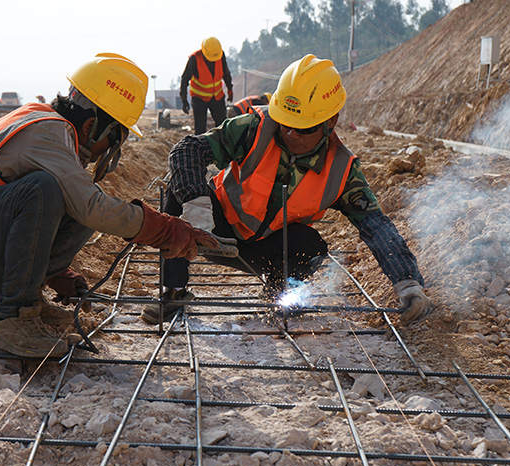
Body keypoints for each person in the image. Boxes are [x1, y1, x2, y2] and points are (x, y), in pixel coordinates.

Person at [0, 53, 218, 357]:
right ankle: (13, 319)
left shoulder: (43, 124)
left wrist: (56, 274)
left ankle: (15, 304)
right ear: (91, 127)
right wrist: (165, 229)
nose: (105, 154)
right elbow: (91, 207)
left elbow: (30, 221)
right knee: (46, 190)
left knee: (71, 196)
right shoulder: (47, 133)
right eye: (113, 141)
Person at [142, 54, 432, 326]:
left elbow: (376, 226)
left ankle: (278, 299)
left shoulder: (341, 170)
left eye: (302, 127)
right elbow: (188, 150)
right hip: (210, 231)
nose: (291, 133)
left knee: (310, 244)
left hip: (265, 249)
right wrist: (196, 202)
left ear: (331, 122)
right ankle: (174, 292)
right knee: (175, 193)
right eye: (286, 124)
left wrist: (407, 281)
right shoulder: (255, 128)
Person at [180, 37, 233, 135]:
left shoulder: (220, 55)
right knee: (200, 129)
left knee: (222, 126)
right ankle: (201, 148)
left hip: (217, 96)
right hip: (199, 98)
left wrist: (230, 89)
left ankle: (223, 148)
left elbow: (226, 73)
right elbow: (185, 79)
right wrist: (184, 100)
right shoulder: (194, 59)